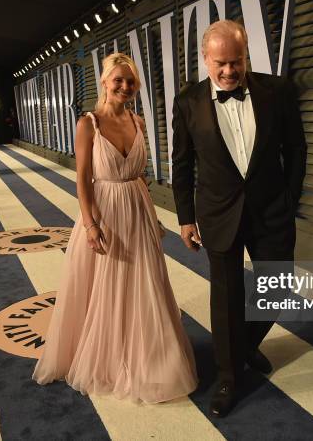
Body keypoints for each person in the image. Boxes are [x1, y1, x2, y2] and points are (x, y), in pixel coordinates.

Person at [33, 53, 198, 403]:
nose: (125, 86)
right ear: (105, 82)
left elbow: (139, 177)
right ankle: (109, 357)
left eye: (130, 81)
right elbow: (82, 180)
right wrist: (90, 224)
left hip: (137, 210)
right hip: (104, 213)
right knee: (105, 288)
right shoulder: (87, 123)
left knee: (145, 285)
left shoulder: (138, 122)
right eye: (118, 80)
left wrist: (152, 217)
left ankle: (149, 357)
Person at [171, 20, 307, 417]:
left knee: (278, 284)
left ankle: (245, 344)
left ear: (246, 55)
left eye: (237, 61)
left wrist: (290, 197)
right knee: (227, 298)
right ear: (205, 59)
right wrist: (185, 218)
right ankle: (229, 375)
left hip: (271, 209)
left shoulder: (277, 90)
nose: (229, 71)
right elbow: (182, 164)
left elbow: (296, 148)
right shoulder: (188, 102)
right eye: (221, 63)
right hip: (217, 213)